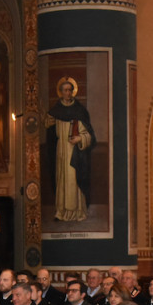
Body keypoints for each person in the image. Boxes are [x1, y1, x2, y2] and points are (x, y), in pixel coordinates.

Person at [45, 76, 96, 221]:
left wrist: (80, 139)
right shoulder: (56, 110)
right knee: (62, 179)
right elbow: (48, 125)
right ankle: (61, 212)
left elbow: (89, 135)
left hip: (75, 153)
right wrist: (47, 120)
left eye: (70, 90)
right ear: (60, 92)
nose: (67, 93)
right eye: (65, 90)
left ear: (73, 92)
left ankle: (77, 212)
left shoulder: (79, 111)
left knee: (73, 180)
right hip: (61, 150)